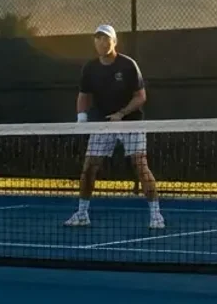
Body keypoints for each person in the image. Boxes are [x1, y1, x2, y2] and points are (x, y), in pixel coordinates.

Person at [65, 24, 163, 230]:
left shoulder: (128, 65)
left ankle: (156, 216)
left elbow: (140, 97)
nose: (102, 42)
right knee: (89, 168)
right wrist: (81, 118)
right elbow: (83, 96)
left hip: (131, 122)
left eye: (106, 38)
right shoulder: (90, 68)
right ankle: (82, 214)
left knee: (140, 165)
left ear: (114, 42)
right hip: (103, 124)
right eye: (98, 38)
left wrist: (121, 114)